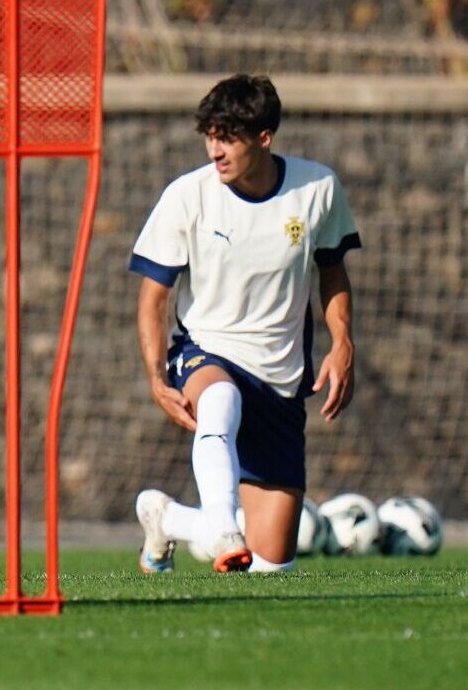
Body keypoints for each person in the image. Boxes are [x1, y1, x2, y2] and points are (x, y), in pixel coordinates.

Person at [130, 74, 360, 574]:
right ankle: (221, 524)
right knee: (220, 400)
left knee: (270, 566)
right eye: (210, 135)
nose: (216, 149)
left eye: (228, 136)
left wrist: (343, 343)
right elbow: (153, 299)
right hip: (205, 351)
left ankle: (167, 518)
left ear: (264, 138)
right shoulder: (187, 196)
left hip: (279, 376)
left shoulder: (317, 189)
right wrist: (155, 374)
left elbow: (333, 271)